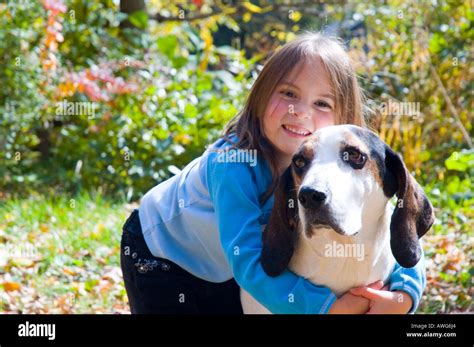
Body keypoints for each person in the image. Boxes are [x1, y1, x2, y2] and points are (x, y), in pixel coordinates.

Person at [120, 32, 425, 314]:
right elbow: (248, 259)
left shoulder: (346, 165)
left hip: (225, 264)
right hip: (159, 254)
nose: (301, 112)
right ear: (262, 96)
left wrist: (405, 294)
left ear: (343, 116)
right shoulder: (232, 164)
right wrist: (324, 309)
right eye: (289, 93)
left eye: (321, 103)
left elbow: (397, 227)